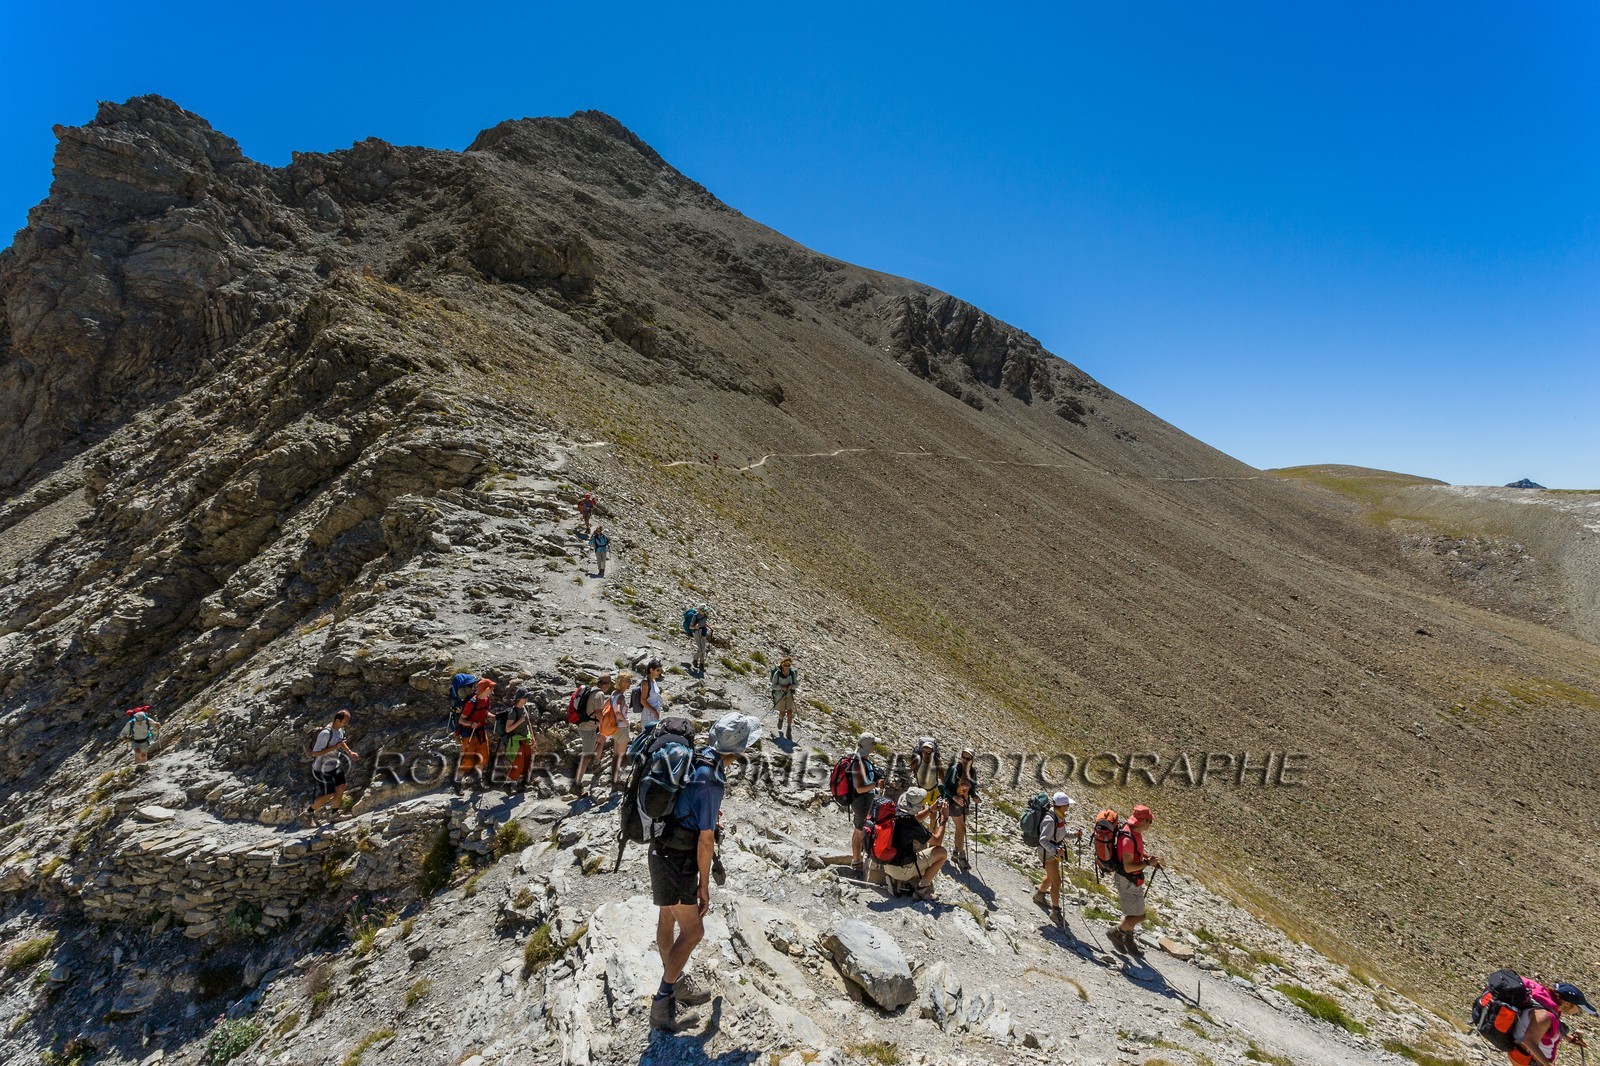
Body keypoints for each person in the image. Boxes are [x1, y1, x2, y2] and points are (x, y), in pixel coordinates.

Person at [650, 713, 763, 1032]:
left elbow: (688, 805)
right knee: (694, 932)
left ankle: (673, 978)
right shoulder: (713, 778)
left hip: (660, 847)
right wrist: (704, 886)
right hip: (678, 859)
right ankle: (663, 1002)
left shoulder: (697, 754)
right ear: (739, 750)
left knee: (668, 919)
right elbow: (706, 838)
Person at [1106, 804, 1161, 955]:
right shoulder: (1128, 840)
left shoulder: (1133, 832)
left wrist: (1147, 858)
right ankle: (1116, 932)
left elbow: (1135, 852)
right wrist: (1147, 863)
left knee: (1133, 913)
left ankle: (1128, 940)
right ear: (1143, 821)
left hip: (1131, 880)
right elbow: (1129, 867)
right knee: (1139, 915)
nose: (1151, 824)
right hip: (1128, 880)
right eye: (1150, 821)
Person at [878, 787, 949, 901]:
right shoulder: (912, 826)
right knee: (942, 853)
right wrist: (944, 819)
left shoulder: (895, 812)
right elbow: (937, 841)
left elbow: (914, 818)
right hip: (901, 869)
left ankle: (895, 880)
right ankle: (921, 889)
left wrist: (931, 809)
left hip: (886, 862)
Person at [1516, 978, 1594, 1064]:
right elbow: (1528, 1040)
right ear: (1567, 1003)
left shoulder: (1548, 1006)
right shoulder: (1545, 1016)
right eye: (1579, 1008)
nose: (1579, 1012)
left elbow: (1540, 1029)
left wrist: (1569, 1038)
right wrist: (1547, 1064)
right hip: (1524, 1056)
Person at [1033, 792, 1081, 927]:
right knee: (1057, 881)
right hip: (1047, 854)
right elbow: (1043, 840)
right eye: (1067, 805)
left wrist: (1074, 835)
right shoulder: (1050, 819)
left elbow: (1062, 833)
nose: (1069, 807)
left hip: (1053, 853)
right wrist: (1055, 850)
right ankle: (1055, 911)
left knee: (1050, 877)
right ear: (1061, 806)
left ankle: (1039, 896)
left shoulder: (1059, 816)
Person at [307, 709, 360, 822]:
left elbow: (341, 742)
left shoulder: (340, 730)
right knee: (329, 794)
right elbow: (314, 753)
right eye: (345, 721)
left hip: (334, 765)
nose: (347, 724)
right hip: (322, 769)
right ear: (337, 720)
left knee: (341, 786)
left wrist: (350, 752)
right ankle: (309, 812)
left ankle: (334, 814)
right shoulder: (325, 733)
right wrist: (335, 747)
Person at [572, 672, 614, 798]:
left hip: (584, 726)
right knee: (586, 757)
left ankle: (596, 764)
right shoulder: (599, 694)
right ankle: (576, 785)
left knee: (602, 739)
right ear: (605, 684)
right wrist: (607, 724)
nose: (609, 685)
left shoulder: (593, 691)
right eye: (608, 683)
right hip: (589, 729)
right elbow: (598, 713)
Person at [847, 733, 882, 874]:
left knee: (860, 829)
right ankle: (856, 862)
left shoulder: (862, 759)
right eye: (873, 744)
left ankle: (858, 859)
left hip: (864, 800)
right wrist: (875, 785)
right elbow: (860, 788)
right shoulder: (858, 763)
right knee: (859, 830)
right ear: (868, 746)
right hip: (860, 802)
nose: (875, 747)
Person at [941, 747, 980, 870]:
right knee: (962, 827)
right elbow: (946, 787)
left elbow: (972, 787)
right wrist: (954, 797)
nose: (964, 760)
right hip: (952, 802)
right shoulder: (954, 769)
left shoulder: (972, 772)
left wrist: (974, 796)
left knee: (960, 829)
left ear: (972, 760)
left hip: (964, 801)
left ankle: (955, 852)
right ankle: (962, 856)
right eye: (963, 757)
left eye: (967, 758)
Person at [454, 679, 495, 792]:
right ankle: (457, 783)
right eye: (491, 687)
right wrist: (471, 724)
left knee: (483, 757)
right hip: (469, 734)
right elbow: (461, 720)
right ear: (485, 689)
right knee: (468, 761)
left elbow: (485, 712)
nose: (492, 689)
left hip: (481, 732)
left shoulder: (486, 699)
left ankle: (478, 781)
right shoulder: (470, 703)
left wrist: (493, 716)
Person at [600, 670, 633, 789]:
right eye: (628, 681)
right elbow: (618, 712)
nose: (630, 683)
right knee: (620, 755)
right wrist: (626, 721)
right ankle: (615, 782)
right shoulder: (621, 697)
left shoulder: (614, 693)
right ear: (622, 682)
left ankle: (613, 780)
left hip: (614, 728)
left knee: (616, 755)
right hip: (622, 728)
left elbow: (605, 705)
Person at [499, 688, 536, 793]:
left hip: (526, 739)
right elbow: (508, 729)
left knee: (527, 763)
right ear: (520, 698)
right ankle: (507, 784)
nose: (527, 699)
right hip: (516, 742)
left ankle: (521, 785)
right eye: (525, 697)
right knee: (518, 765)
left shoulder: (525, 708)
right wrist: (519, 721)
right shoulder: (513, 712)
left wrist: (532, 737)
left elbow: (528, 724)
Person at [769, 656, 799, 739]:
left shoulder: (792, 673)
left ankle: (789, 729)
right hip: (780, 696)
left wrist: (791, 686)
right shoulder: (777, 674)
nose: (787, 667)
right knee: (782, 713)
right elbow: (773, 686)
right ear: (782, 665)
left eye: (788, 665)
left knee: (790, 712)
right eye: (785, 665)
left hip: (789, 695)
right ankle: (780, 719)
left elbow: (797, 684)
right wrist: (781, 687)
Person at [637, 659, 665, 729]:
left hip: (655, 710)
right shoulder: (646, 683)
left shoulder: (653, 680)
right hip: (648, 713)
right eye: (658, 670)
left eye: (660, 670)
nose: (660, 672)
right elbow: (642, 700)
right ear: (651, 670)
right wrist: (654, 711)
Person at [688, 605, 711, 672]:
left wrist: (710, 627)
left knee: (703, 648)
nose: (704, 612)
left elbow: (704, 623)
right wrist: (695, 627)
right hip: (697, 632)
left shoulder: (704, 615)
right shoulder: (695, 616)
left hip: (703, 631)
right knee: (701, 649)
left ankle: (701, 664)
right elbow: (690, 627)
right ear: (700, 610)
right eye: (703, 610)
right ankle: (695, 660)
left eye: (705, 610)